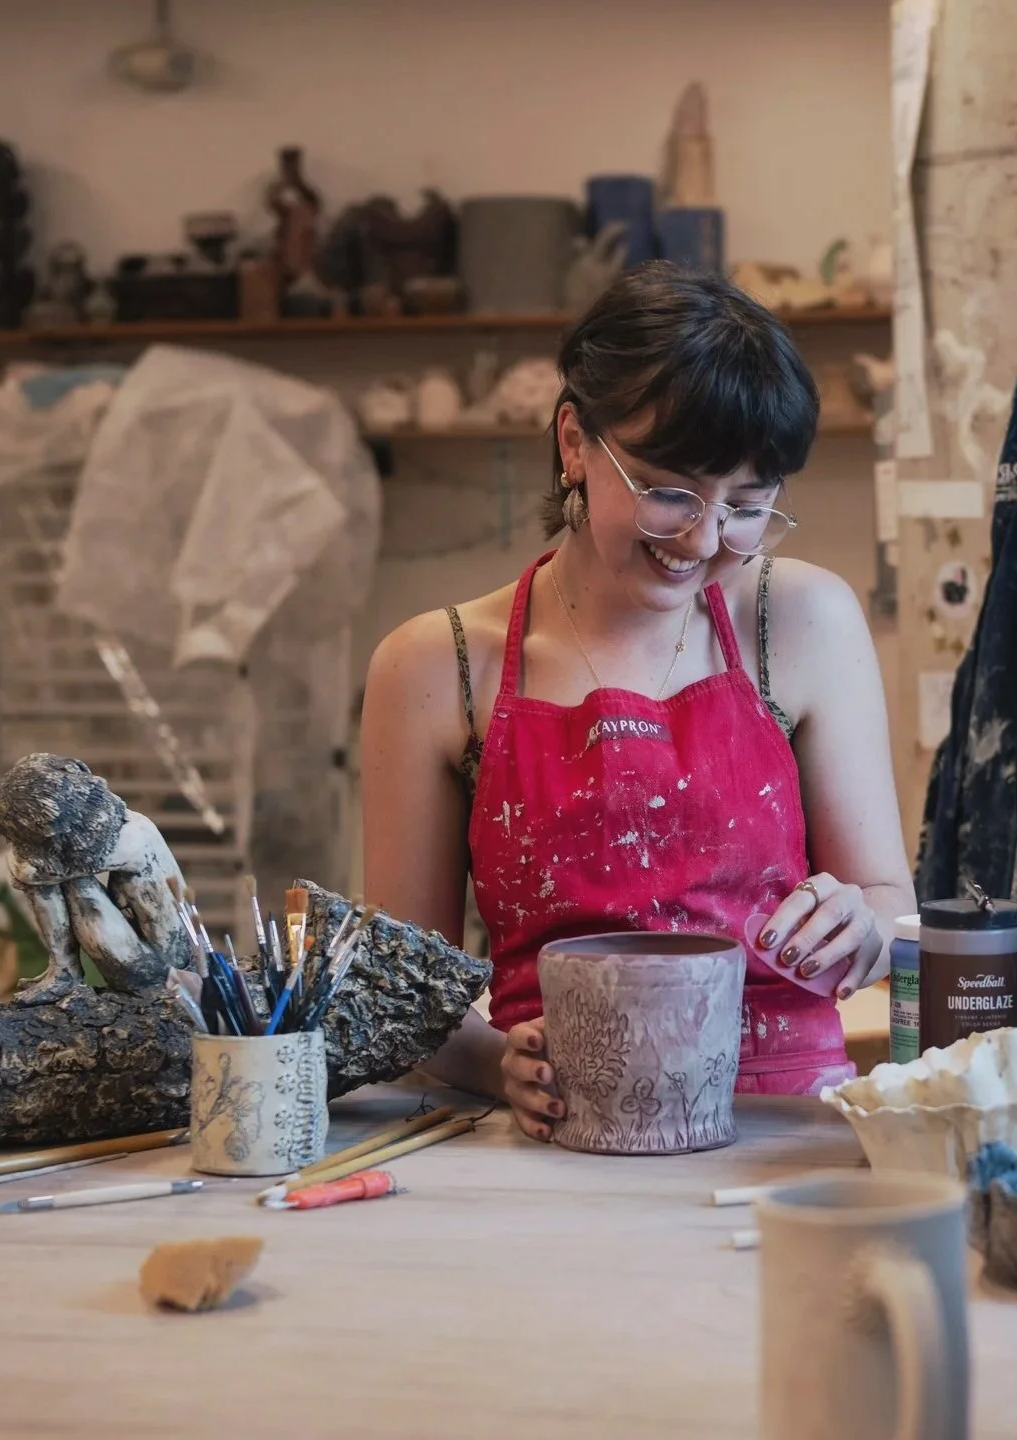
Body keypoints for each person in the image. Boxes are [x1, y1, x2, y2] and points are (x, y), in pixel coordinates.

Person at [361, 265, 914, 1140]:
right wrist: (495, 1064)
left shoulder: (801, 619)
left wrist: (862, 923)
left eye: (746, 506)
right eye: (670, 492)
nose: (701, 540)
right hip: (557, 1126)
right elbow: (400, 1002)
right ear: (576, 441)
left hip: (782, 1131)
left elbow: (886, 895)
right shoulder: (439, 666)